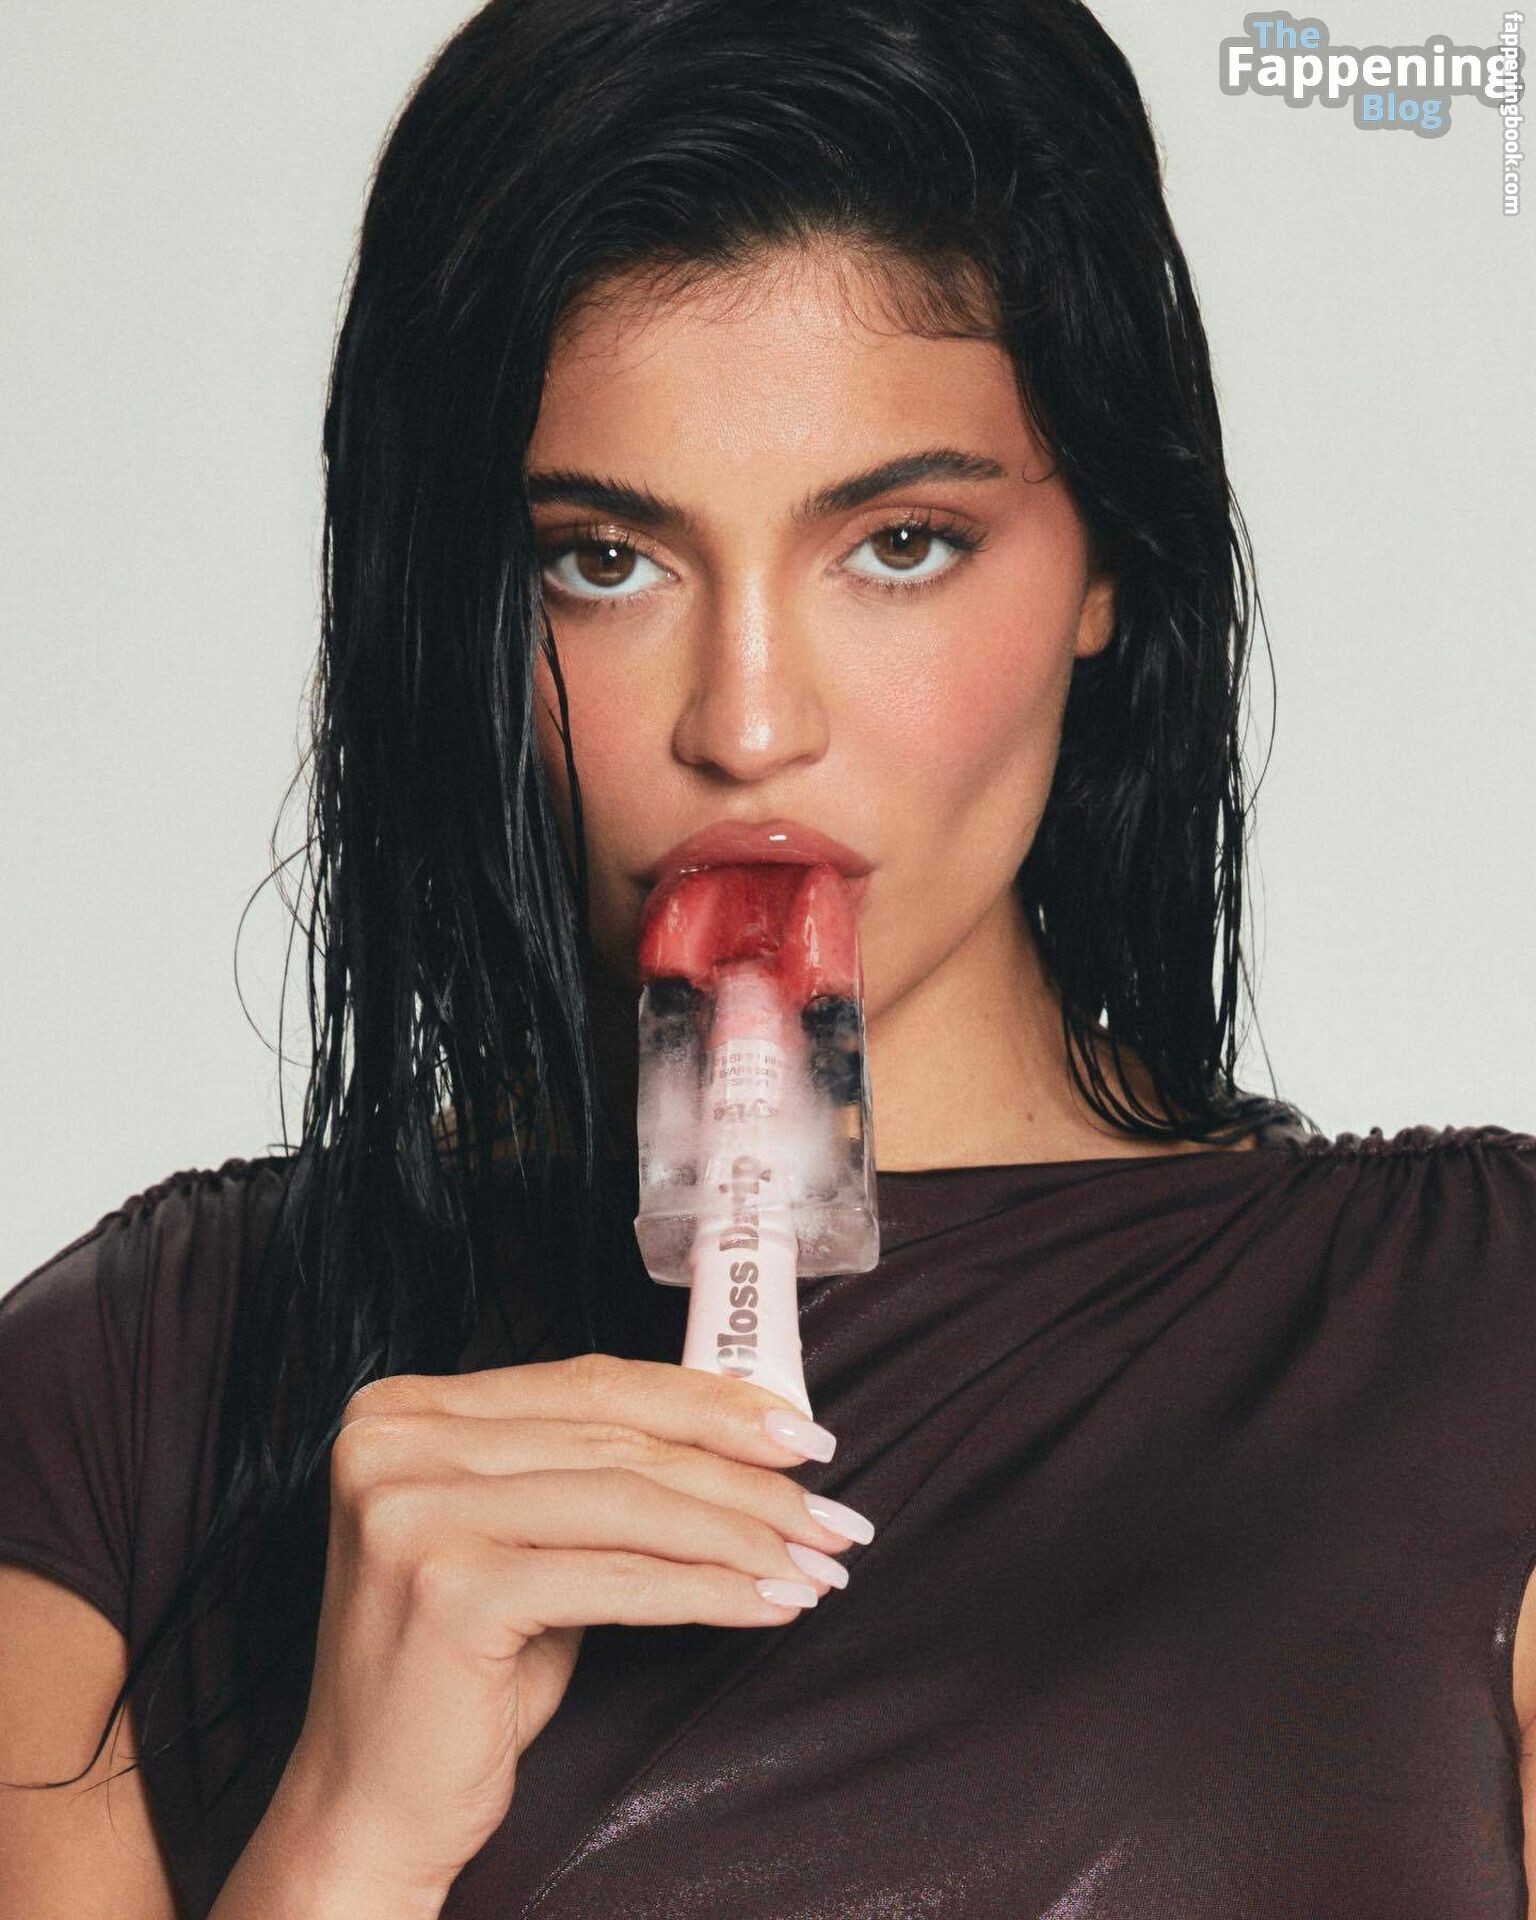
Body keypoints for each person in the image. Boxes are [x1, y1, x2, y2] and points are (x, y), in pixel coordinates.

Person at [2, 0, 1533, 1914]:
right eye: (604, 560)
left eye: (899, 543)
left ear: (1108, 564)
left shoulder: (1486, 1345)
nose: (744, 726)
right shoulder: (123, 1404)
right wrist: (348, 1836)